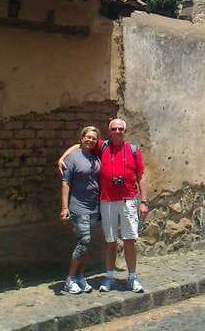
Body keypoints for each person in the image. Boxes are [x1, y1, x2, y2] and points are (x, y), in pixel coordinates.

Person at [58, 117, 149, 293]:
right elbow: (83, 144)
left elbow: (141, 177)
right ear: (109, 132)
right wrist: (63, 157)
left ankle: (132, 278)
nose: (117, 132)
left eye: (120, 129)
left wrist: (144, 201)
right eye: (113, 129)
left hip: (128, 200)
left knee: (129, 240)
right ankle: (109, 277)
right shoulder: (103, 146)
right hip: (106, 202)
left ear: (125, 131)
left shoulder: (133, 150)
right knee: (110, 241)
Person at [60, 126, 102, 295]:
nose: (90, 140)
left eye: (94, 138)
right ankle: (69, 279)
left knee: (87, 243)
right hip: (78, 206)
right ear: (81, 138)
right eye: (87, 137)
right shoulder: (73, 158)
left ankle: (80, 277)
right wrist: (64, 208)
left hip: (94, 206)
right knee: (84, 240)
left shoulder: (95, 156)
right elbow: (65, 183)